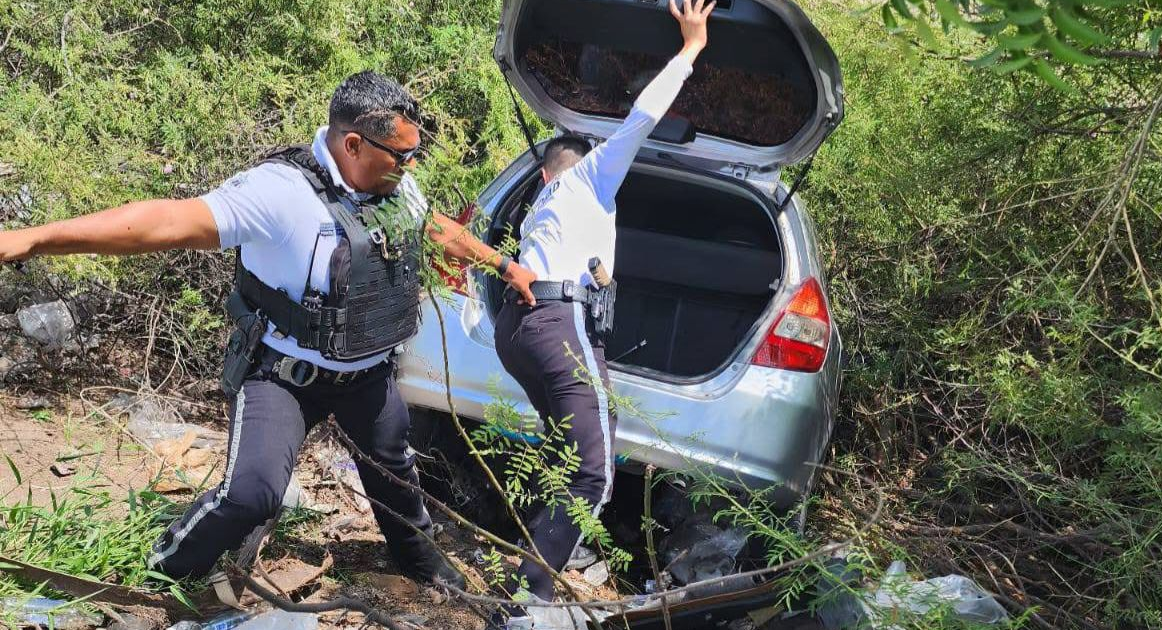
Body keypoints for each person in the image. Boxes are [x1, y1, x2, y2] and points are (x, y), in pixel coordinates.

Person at [0, 70, 538, 587]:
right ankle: (165, 569)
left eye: (414, 152)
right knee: (251, 496)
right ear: (354, 145)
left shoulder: (395, 183)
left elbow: (431, 226)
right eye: (402, 154)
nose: (411, 164)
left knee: (396, 476)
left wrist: (500, 263)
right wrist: (36, 238)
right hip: (284, 376)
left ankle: (419, 562)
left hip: (369, 376)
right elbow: (163, 222)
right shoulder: (280, 193)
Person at [489, 1, 715, 626]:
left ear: (540, 174)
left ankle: (523, 569)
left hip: (519, 328)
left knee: (571, 453)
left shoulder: (543, 206)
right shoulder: (589, 177)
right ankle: (524, 602)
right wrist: (691, 48)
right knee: (593, 473)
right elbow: (644, 116)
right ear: (580, 161)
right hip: (558, 324)